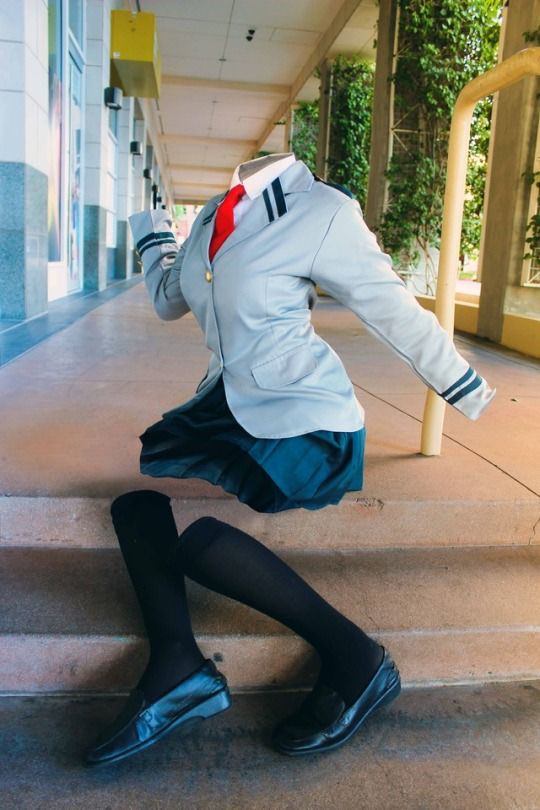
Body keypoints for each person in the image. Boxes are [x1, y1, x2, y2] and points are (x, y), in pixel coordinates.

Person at [85, 153, 495, 766]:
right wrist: (152, 230)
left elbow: (392, 309)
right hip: (229, 403)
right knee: (136, 509)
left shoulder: (321, 210)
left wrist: (468, 390)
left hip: (310, 417)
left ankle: (357, 658)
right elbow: (170, 300)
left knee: (200, 536)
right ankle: (179, 668)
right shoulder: (213, 217)